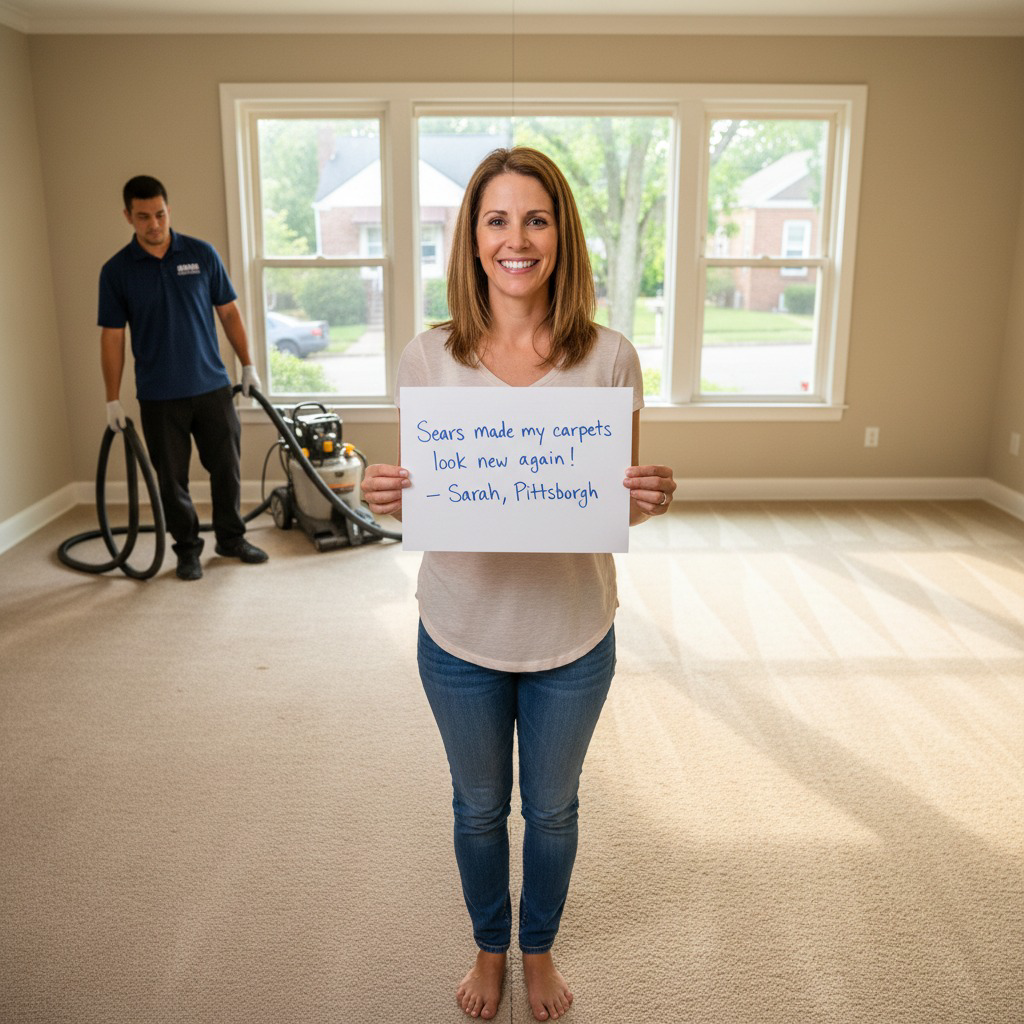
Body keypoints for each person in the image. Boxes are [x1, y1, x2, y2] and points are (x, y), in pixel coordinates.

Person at [362, 147, 676, 1021]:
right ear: (472, 239)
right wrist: (384, 494)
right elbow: (424, 495)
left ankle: (537, 947)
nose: (517, 239)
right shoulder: (427, 357)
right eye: (496, 220)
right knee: (476, 810)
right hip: (458, 630)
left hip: (572, 632)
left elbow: (615, 499)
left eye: (536, 219)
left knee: (553, 810)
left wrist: (649, 498)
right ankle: (488, 945)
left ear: (560, 234)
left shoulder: (610, 357)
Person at [98, 175, 268, 581]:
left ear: (168, 210)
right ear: (128, 217)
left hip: (212, 386)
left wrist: (248, 365)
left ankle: (231, 538)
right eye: (143, 217)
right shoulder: (117, 271)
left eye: (160, 214)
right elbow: (112, 337)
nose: (154, 224)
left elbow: (228, 312)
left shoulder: (200, 254)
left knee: (226, 469)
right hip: (159, 396)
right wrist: (112, 398)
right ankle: (187, 549)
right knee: (172, 481)